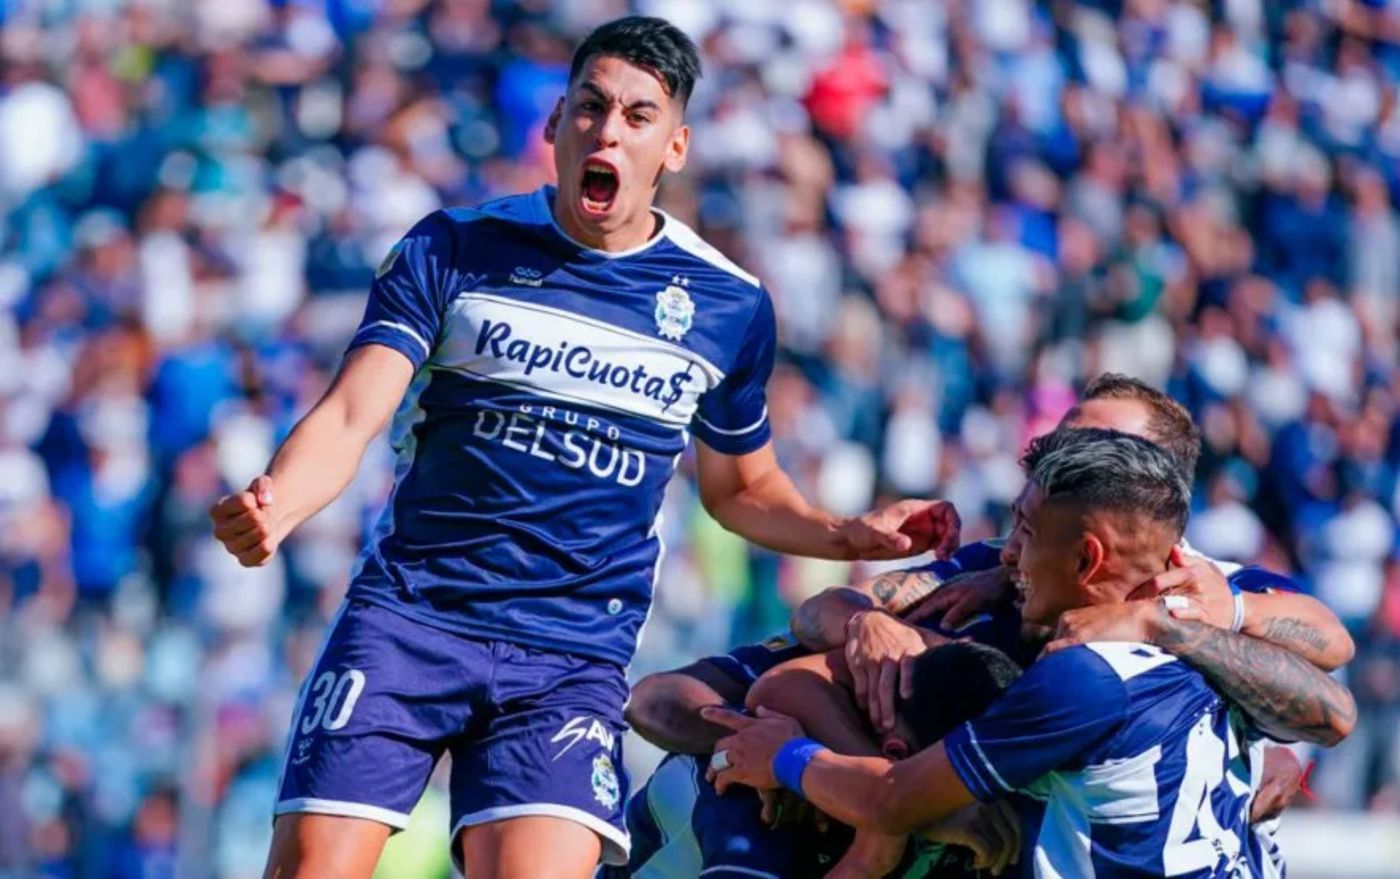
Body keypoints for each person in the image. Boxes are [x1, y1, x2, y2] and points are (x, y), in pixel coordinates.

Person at [207, 16, 958, 879]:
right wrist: (280, 503)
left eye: (637, 116)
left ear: (673, 146)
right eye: (592, 108)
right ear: (555, 123)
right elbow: (351, 415)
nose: (608, 130)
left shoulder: (728, 304)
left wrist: (846, 535)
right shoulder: (452, 246)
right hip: (410, 619)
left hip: (567, 656)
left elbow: (742, 486)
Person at [706, 428, 1357, 877]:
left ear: (1086, 556)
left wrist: (785, 757)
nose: (1009, 551)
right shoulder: (1208, 634)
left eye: (1024, 530)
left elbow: (894, 799)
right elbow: (1333, 715)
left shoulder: (1085, 676)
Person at [618, 637, 1026, 878]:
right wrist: (870, 853)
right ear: (895, 752)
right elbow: (651, 702)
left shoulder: (990, 818)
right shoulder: (752, 792)